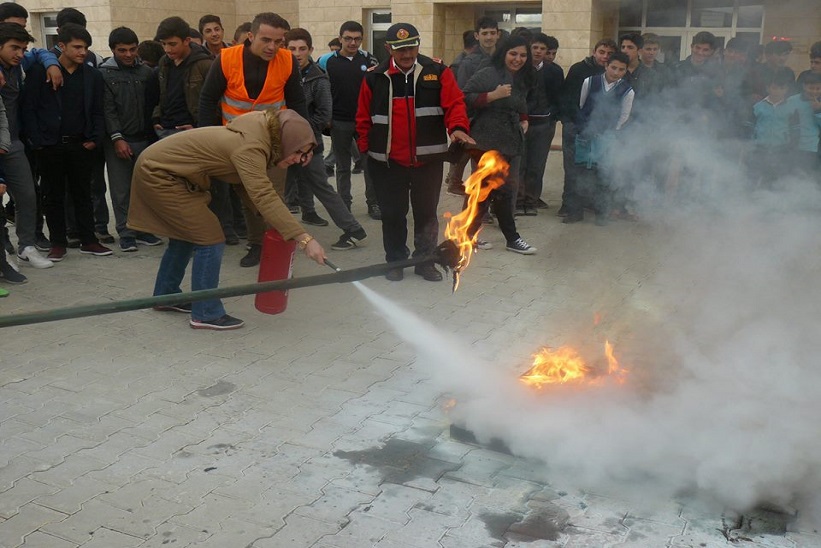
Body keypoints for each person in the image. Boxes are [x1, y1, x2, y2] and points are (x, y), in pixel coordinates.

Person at [128, 109, 326, 330]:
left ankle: (165, 296)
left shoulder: (259, 137)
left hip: (171, 174)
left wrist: (276, 224)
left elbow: (246, 189)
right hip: (160, 174)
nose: (298, 160)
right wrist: (305, 238)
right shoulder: (251, 147)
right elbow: (263, 194)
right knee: (210, 238)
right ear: (287, 141)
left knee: (185, 235)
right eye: (298, 152)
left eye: (304, 155)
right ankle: (205, 313)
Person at [357, 22, 473, 282]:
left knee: (426, 215)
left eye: (411, 47)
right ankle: (396, 260)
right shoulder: (375, 77)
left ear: (418, 45)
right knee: (393, 215)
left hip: (428, 162)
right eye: (400, 50)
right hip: (388, 163)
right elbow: (363, 117)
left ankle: (425, 261)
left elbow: (455, 104)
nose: (407, 54)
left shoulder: (437, 71)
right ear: (388, 48)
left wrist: (457, 128)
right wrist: (365, 149)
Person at [198, 12, 309, 268]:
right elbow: (206, 100)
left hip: (274, 143)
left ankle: (278, 245)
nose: (272, 47)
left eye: (278, 41)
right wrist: (205, 138)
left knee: (273, 197)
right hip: (237, 142)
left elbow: (297, 103)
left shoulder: (288, 61)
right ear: (251, 36)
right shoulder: (226, 59)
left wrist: (304, 141)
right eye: (266, 40)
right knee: (249, 197)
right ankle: (256, 244)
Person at [21, 23, 112, 261]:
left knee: (84, 194)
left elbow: (98, 110)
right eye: (77, 47)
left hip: (81, 145)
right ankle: (58, 243)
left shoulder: (93, 75)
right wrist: (38, 142)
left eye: (86, 47)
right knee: (53, 196)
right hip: (50, 146)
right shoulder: (41, 72)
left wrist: (94, 139)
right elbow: (29, 109)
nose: (83, 52)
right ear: (61, 46)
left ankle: (89, 240)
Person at [284, 27, 368, 251]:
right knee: (277, 191)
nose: (297, 53)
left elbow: (324, 114)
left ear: (310, 50)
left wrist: (300, 134)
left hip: (308, 146)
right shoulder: (277, 74)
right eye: (292, 49)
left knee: (322, 188)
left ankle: (353, 229)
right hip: (280, 147)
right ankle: (272, 238)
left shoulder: (317, 77)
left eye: (302, 49)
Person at [462, 36, 537, 255]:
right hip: (486, 139)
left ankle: (468, 236)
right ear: (503, 53)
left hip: (510, 140)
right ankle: (511, 238)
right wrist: (492, 96)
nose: (518, 59)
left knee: (489, 190)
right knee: (495, 190)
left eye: (523, 55)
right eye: (513, 54)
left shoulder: (524, 76)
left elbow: (521, 100)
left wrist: (524, 118)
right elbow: (464, 96)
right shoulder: (489, 72)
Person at [100, 26, 163, 252]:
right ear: (113, 50)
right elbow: (107, 110)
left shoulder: (146, 73)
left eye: (132, 49)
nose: (128, 54)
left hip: (144, 138)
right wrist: (117, 139)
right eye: (122, 50)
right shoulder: (104, 74)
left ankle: (143, 229)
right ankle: (126, 232)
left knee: (143, 188)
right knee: (121, 190)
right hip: (119, 139)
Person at [0, 20, 57, 269]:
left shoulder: (19, 65)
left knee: (27, 196)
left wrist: (52, 63)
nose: (19, 53)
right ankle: (3, 255)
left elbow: (40, 52)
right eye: (14, 48)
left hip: (13, 143)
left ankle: (26, 247)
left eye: (22, 48)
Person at [325, 21, 380, 219]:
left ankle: (373, 204)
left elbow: (379, 90)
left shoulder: (370, 60)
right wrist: (326, 117)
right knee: (342, 167)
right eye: (348, 38)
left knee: (369, 165)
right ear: (340, 39)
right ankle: (344, 206)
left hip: (365, 122)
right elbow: (322, 92)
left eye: (357, 39)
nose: (352, 42)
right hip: (339, 122)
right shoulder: (327, 61)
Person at [572, 52, 634, 225]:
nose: (616, 72)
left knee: (603, 176)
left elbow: (624, 116)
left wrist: (611, 132)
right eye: (613, 67)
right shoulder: (590, 82)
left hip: (607, 138)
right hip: (585, 135)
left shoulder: (627, 91)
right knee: (579, 173)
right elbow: (581, 104)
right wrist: (584, 128)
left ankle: (602, 213)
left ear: (625, 71)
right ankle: (575, 212)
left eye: (621, 70)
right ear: (606, 66)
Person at [557, 38, 616, 217]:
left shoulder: (612, 73)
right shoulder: (579, 69)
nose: (605, 57)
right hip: (575, 126)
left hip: (599, 129)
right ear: (594, 52)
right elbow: (568, 98)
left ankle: (589, 203)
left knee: (595, 167)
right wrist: (573, 122)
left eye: (609, 54)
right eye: (602, 52)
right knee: (573, 167)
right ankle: (568, 205)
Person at [446, 17, 499, 198]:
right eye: (485, 33)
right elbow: (462, 96)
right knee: (479, 169)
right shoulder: (468, 62)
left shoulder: (502, 58)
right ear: (477, 36)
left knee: (494, 169)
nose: (489, 37)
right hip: (476, 122)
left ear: (498, 34)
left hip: (498, 122)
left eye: (492, 33)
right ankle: (478, 211)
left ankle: (488, 206)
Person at [517, 33, 562, 215]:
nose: (538, 51)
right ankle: (518, 202)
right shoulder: (520, 69)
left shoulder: (554, 71)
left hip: (544, 124)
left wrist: (552, 116)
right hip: (522, 124)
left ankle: (532, 201)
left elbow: (558, 96)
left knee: (537, 165)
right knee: (520, 164)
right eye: (535, 47)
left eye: (542, 49)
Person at [750, 67, 801, 187]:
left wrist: (792, 145)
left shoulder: (791, 108)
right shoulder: (758, 107)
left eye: (781, 88)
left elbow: (795, 130)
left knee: (778, 176)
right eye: (774, 88)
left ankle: (775, 198)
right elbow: (751, 127)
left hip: (781, 148)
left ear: (786, 90)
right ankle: (755, 196)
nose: (777, 91)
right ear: (768, 88)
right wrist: (751, 142)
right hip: (760, 147)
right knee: (757, 173)